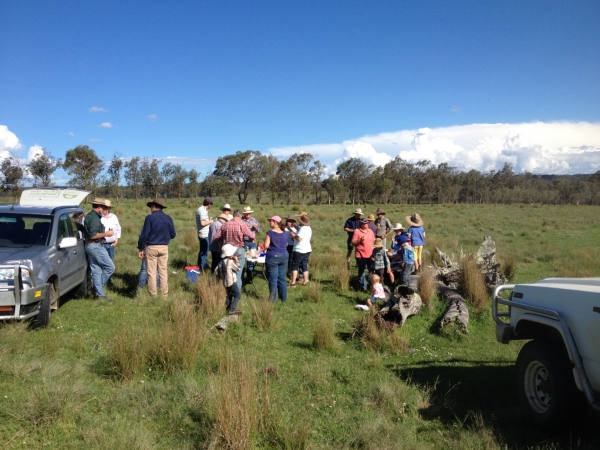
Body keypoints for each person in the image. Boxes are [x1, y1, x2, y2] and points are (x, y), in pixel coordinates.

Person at [137, 198, 176, 298]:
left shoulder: (150, 218)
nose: (150, 208)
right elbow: (173, 234)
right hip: (164, 247)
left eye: (151, 206)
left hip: (152, 247)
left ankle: (153, 295)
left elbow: (144, 234)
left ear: (154, 206)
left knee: (151, 273)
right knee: (163, 271)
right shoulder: (168, 218)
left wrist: (141, 248)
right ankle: (164, 295)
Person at [213, 208, 255, 291]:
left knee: (227, 273)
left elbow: (216, 237)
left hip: (228, 251)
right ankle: (236, 294)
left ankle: (227, 292)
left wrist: (222, 242)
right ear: (240, 216)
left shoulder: (225, 224)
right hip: (239, 250)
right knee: (238, 274)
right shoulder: (242, 224)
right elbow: (252, 236)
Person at [83, 198, 115, 302]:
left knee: (96, 270)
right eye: (104, 207)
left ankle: (99, 295)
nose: (105, 209)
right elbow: (93, 235)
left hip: (89, 246)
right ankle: (98, 288)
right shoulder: (95, 218)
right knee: (110, 267)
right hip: (95, 245)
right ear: (99, 207)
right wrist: (107, 234)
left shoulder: (90, 216)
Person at [264, 215, 288, 303]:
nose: (269, 222)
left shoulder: (270, 233)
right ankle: (283, 299)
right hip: (284, 256)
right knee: (282, 278)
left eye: (271, 221)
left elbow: (266, 246)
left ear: (275, 222)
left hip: (273, 257)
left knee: (273, 279)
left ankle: (272, 300)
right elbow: (286, 245)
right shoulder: (285, 233)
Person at [214, 244, 242, 315]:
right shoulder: (230, 261)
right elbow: (238, 268)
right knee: (237, 295)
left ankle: (227, 308)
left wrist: (220, 277)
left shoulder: (221, 262)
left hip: (224, 282)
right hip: (232, 282)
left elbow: (216, 272)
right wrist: (236, 260)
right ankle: (232, 309)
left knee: (229, 296)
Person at [352, 218, 375, 291]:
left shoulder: (370, 231)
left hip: (370, 255)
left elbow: (374, 241)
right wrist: (360, 240)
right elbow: (353, 243)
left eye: (367, 223)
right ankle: (363, 287)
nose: (366, 224)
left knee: (372, 270)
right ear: (361, 224)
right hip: (361, 255)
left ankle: (372, 286)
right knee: (362, 272)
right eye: (364, 223)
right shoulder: (357, 232)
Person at [289, 214, 312, 287]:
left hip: (299, 250)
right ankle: (305, 281)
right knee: (304, 265)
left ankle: (293, 283)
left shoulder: (302, 229)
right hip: (307, 249)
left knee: (295, 266)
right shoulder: (308, 228)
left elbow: (299, 238)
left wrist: (293, 236)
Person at [241, 206, 260, 280]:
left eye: (249, 213)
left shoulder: (254, 220)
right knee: (244, 258)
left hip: (252, 242)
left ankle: (249, 275)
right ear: (244, 214)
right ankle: (242, 275)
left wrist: (256, 228)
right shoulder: (242, 221)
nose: (248, 215)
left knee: (251, 258)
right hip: (244, 242)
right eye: (246, 214)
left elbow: (258, 230)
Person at [195, 197, 214, 272]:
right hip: (204, 235)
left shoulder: (202, 209)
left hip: (203, 234)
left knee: (203, 251)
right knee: (204, 252)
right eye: (211, 204)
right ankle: (202, 268)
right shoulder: (202, 210)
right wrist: (210, 221)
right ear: (209, 204)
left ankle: (202, 266)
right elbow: (202, 223)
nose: (211, 206)